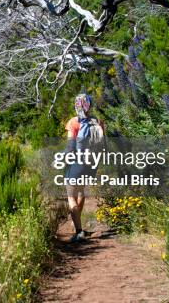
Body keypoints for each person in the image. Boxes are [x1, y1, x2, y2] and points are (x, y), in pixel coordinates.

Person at [64, 93, 104, 243]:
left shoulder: (73, 122)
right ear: (89, 106)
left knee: (70, 196)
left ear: (76, 105)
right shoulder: (97, 121)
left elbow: (69, 147)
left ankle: (79, 231)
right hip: (92, 164)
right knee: (81, 193)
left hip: (77, 162)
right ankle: (77, 226)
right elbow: (102, 144)